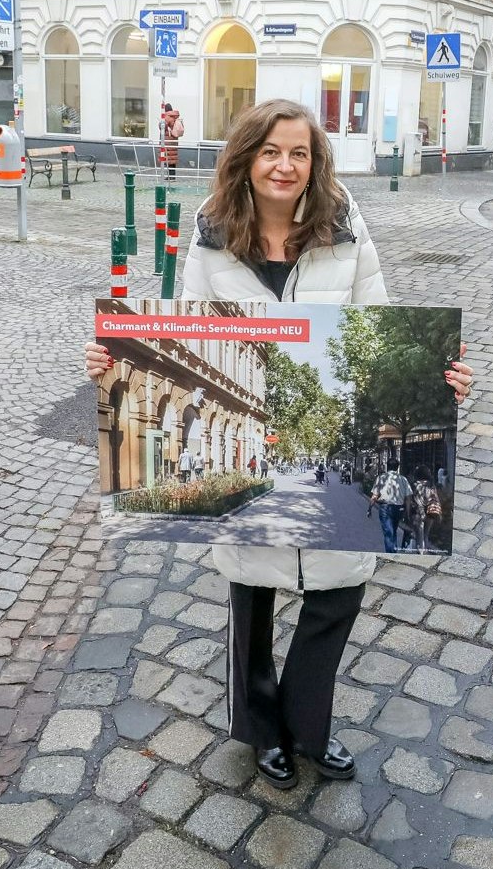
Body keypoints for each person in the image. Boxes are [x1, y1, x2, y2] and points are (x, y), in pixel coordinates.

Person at [85, 99, 472, 791]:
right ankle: (262, 731)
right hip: (253, 437)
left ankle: (309, 727)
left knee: (336, 599)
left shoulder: (346, 231)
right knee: (251, 604)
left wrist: (443, 379)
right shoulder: (208, 238)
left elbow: (377, 323)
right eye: (271, 152)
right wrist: (116, 359)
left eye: (299, 153)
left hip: (326, 434)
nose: (285, 166)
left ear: (315, 162)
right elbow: (181, 331)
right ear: (247, 159)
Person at [371, 459, 411, 554]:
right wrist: (407, 513)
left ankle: (391, 554)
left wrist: (370, 508)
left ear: (387, 466)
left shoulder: (381, 478)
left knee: (388, 533)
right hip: (399, 509)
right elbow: (408, 498)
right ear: (397, 468)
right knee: (393, 530)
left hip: (385, 508)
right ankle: (394, 551)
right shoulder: (403, 479)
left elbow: (375, 496)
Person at [158, 101, 183, 180]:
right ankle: (172, 176)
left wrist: (160, 121)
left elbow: (162, 127)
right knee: (172, 160)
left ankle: (170, 177)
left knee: (168, 159)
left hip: (167, 141)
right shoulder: (175, 117)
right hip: (174, 141)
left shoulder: (167, 117)